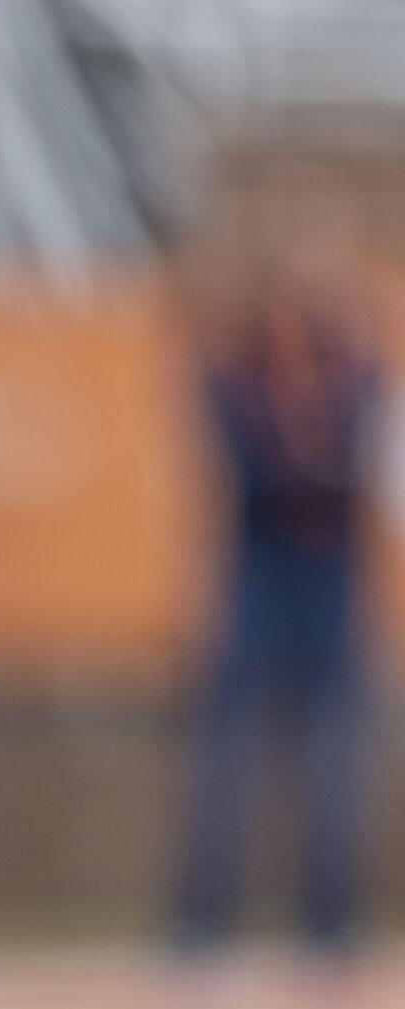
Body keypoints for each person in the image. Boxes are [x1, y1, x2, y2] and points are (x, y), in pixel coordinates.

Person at [174, 234, 385, 952]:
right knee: (227, 758)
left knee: (335, 763)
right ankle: (201, 921)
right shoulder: (238, 382)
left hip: (330, 583)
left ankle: (329, 922)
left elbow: (358, 469)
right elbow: (259, 475)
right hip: (259, 579)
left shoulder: (360, 378)